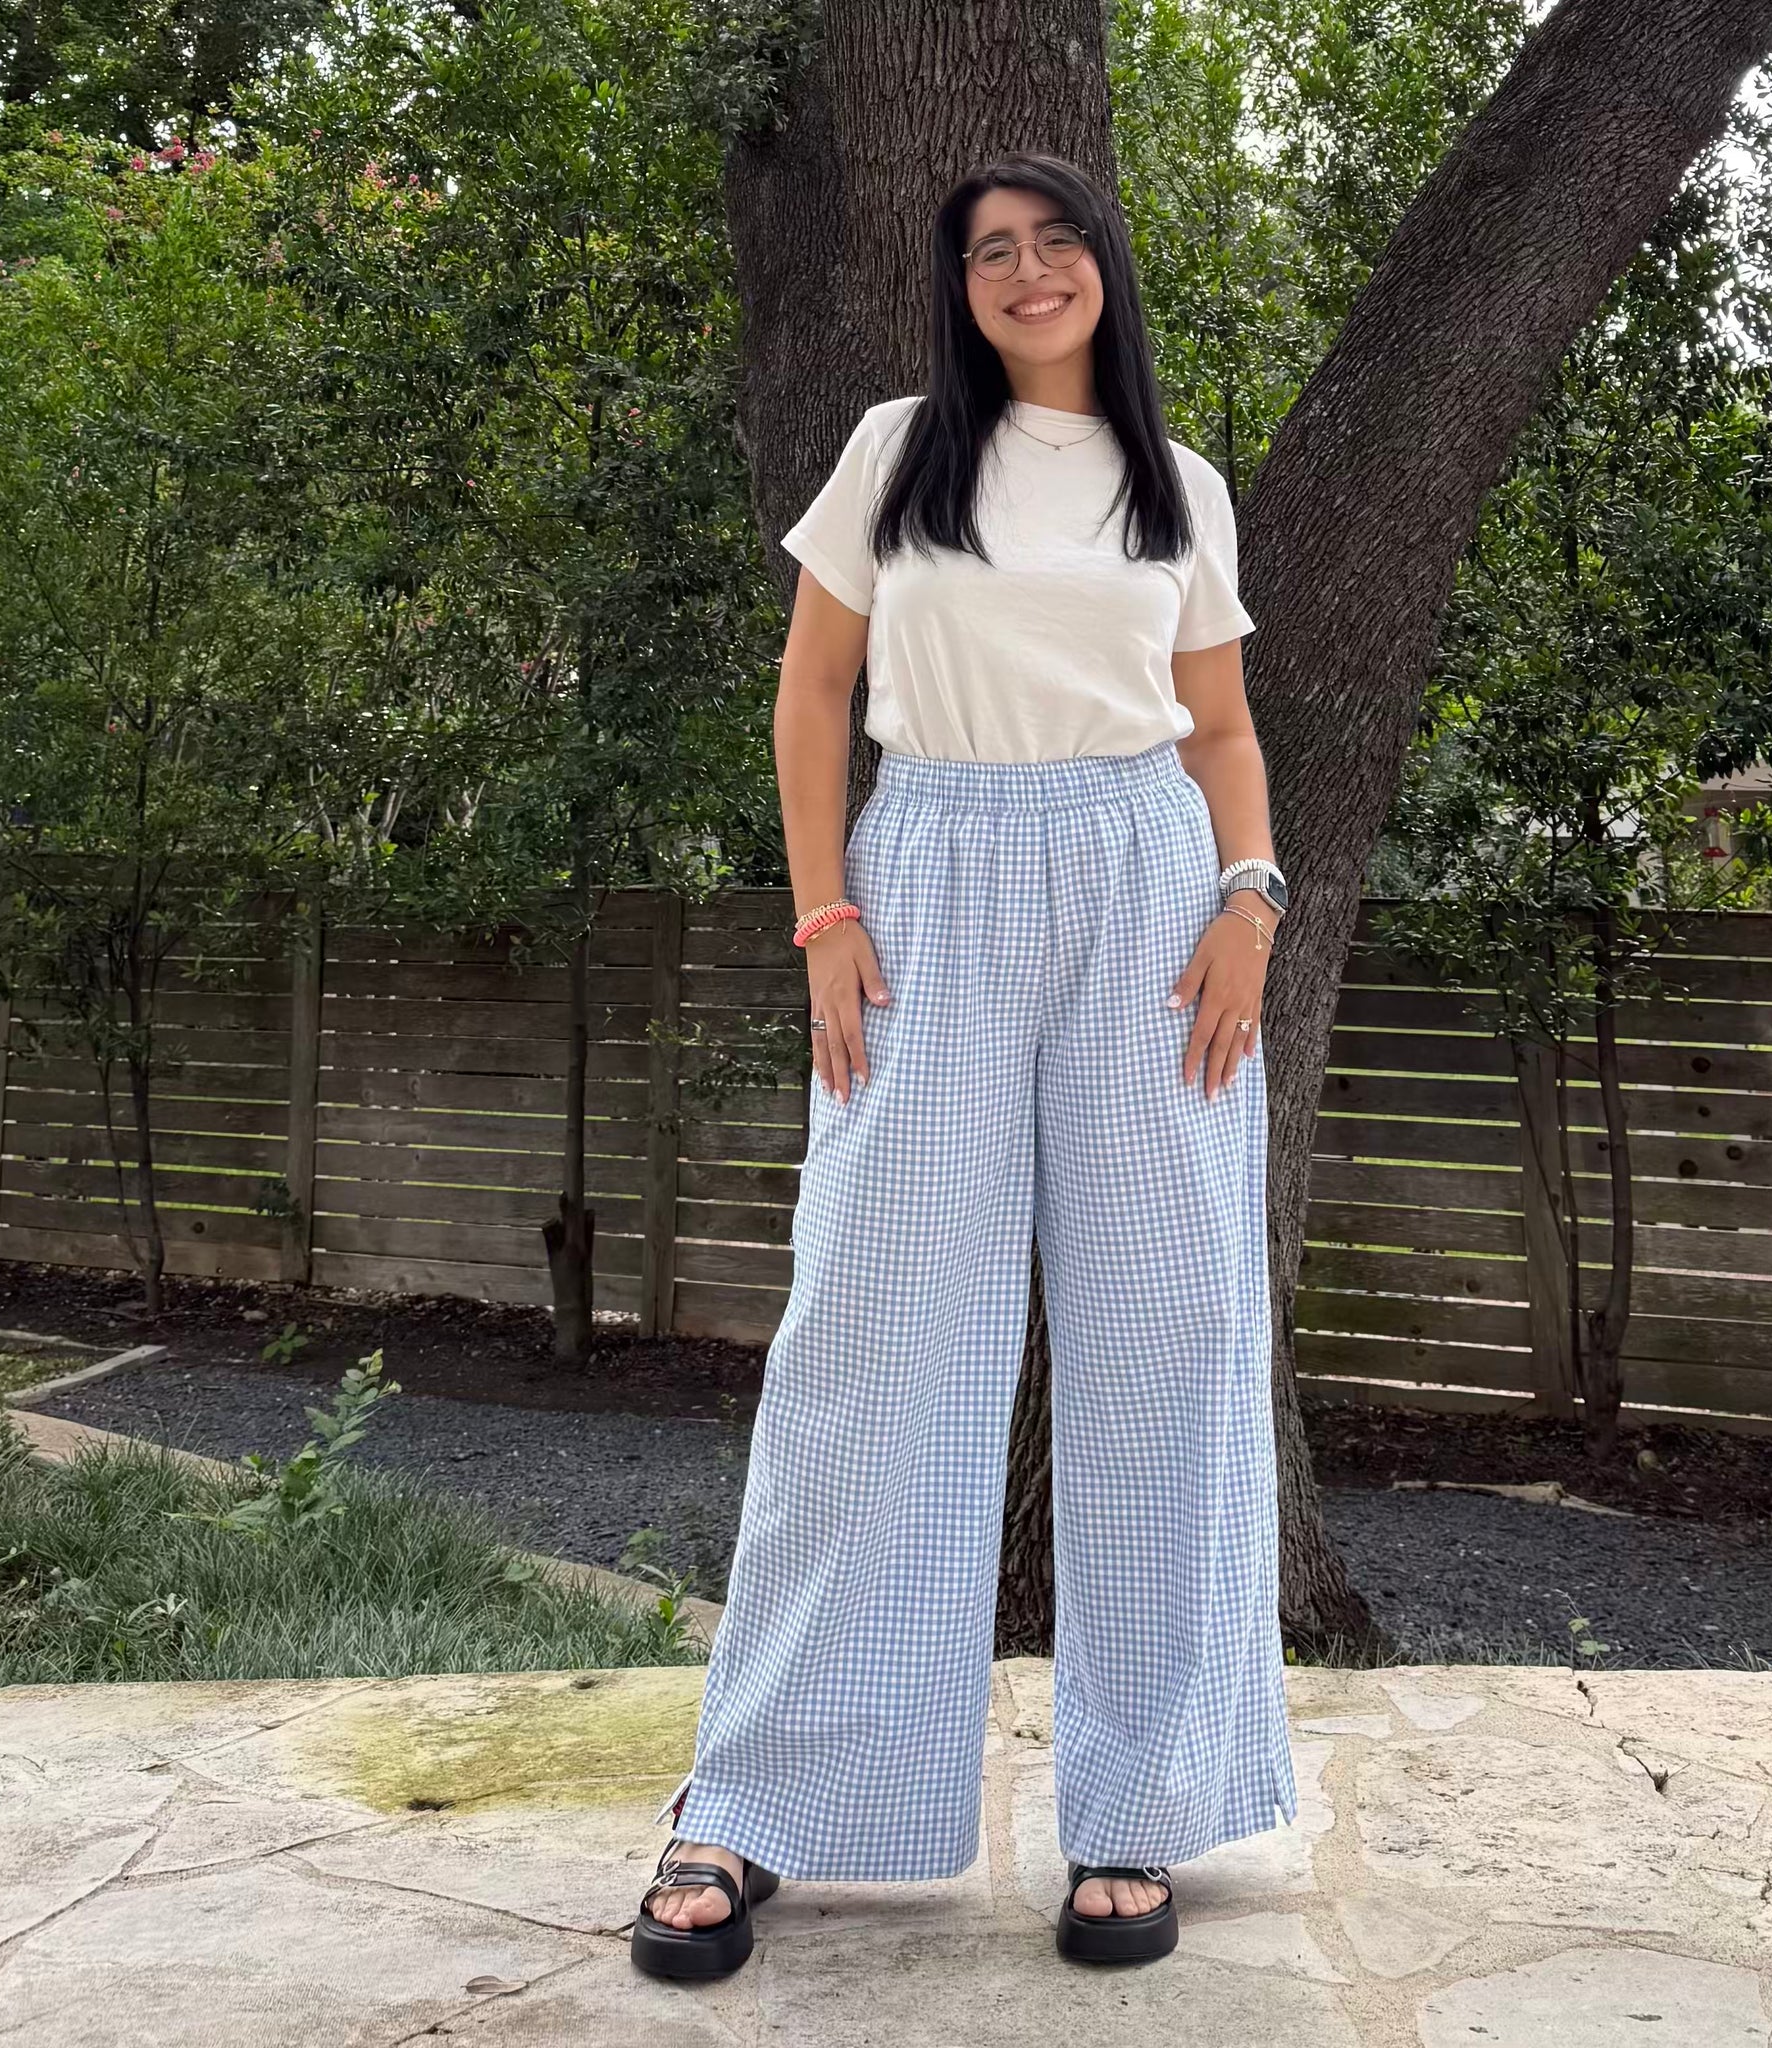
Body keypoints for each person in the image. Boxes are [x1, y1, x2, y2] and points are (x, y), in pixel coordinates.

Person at [635, 149, 1294, 1979]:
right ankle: (756, 1803)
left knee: (1167, 1342)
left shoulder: (1177, 485)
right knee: (868, 1333)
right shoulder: (897, 451)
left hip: (1152, 896)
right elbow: (811, 693)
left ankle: (1140, 1807)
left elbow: (1222, 731)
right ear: (960, 285)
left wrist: (1250, 896)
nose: (1026, 269)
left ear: (1104, 265)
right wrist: (823, 918)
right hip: (925, 875)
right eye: (991, 250)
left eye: (1055, 239)